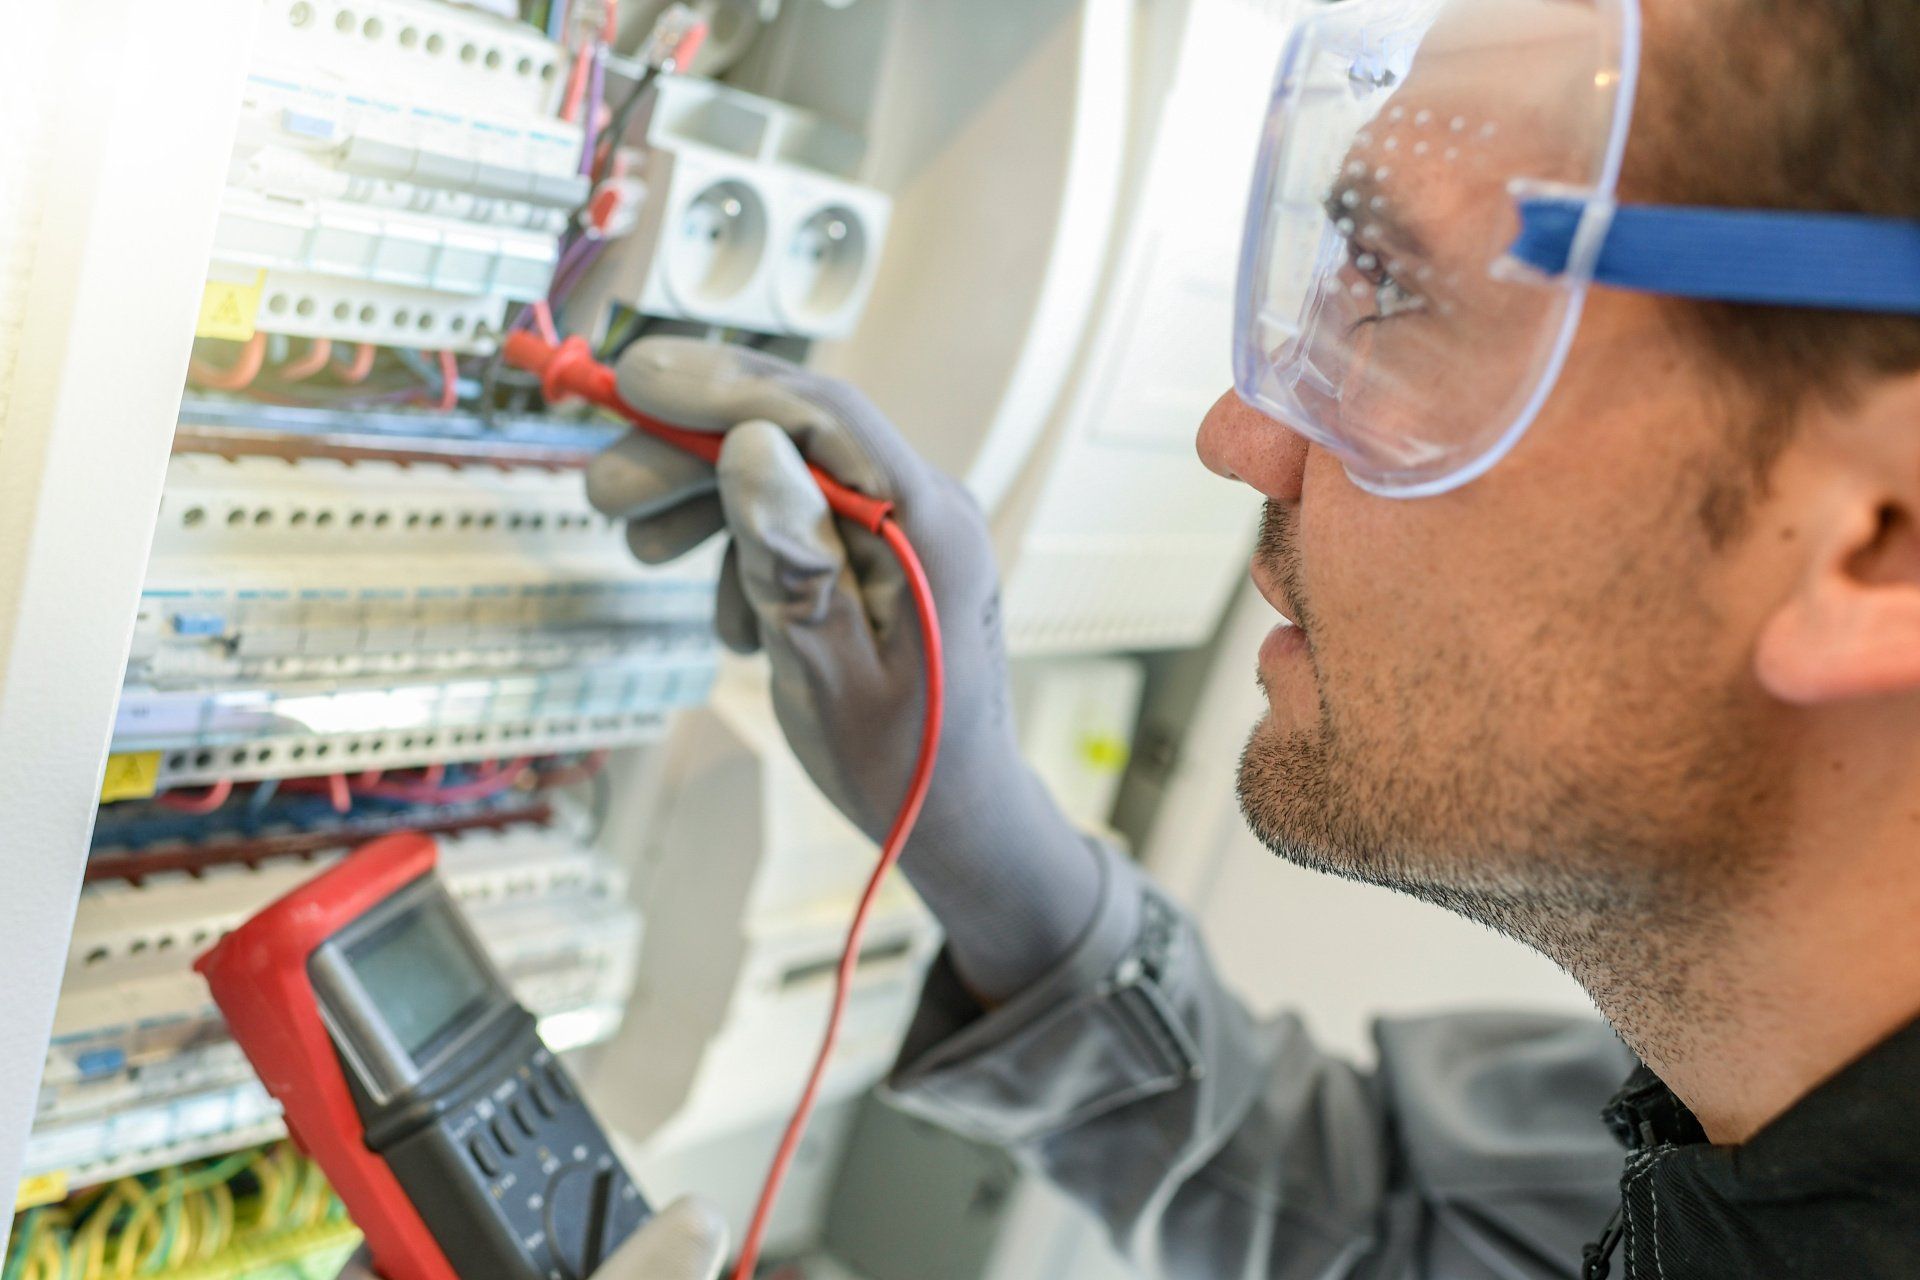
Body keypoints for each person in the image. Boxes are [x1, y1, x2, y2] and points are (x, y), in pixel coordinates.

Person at [582, 0, 1920, 1275]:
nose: (1245, 440)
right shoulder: (1743, 1100)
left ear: (1881, 540)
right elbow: (1386, 1222)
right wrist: (980, 836)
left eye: (1402, 292)